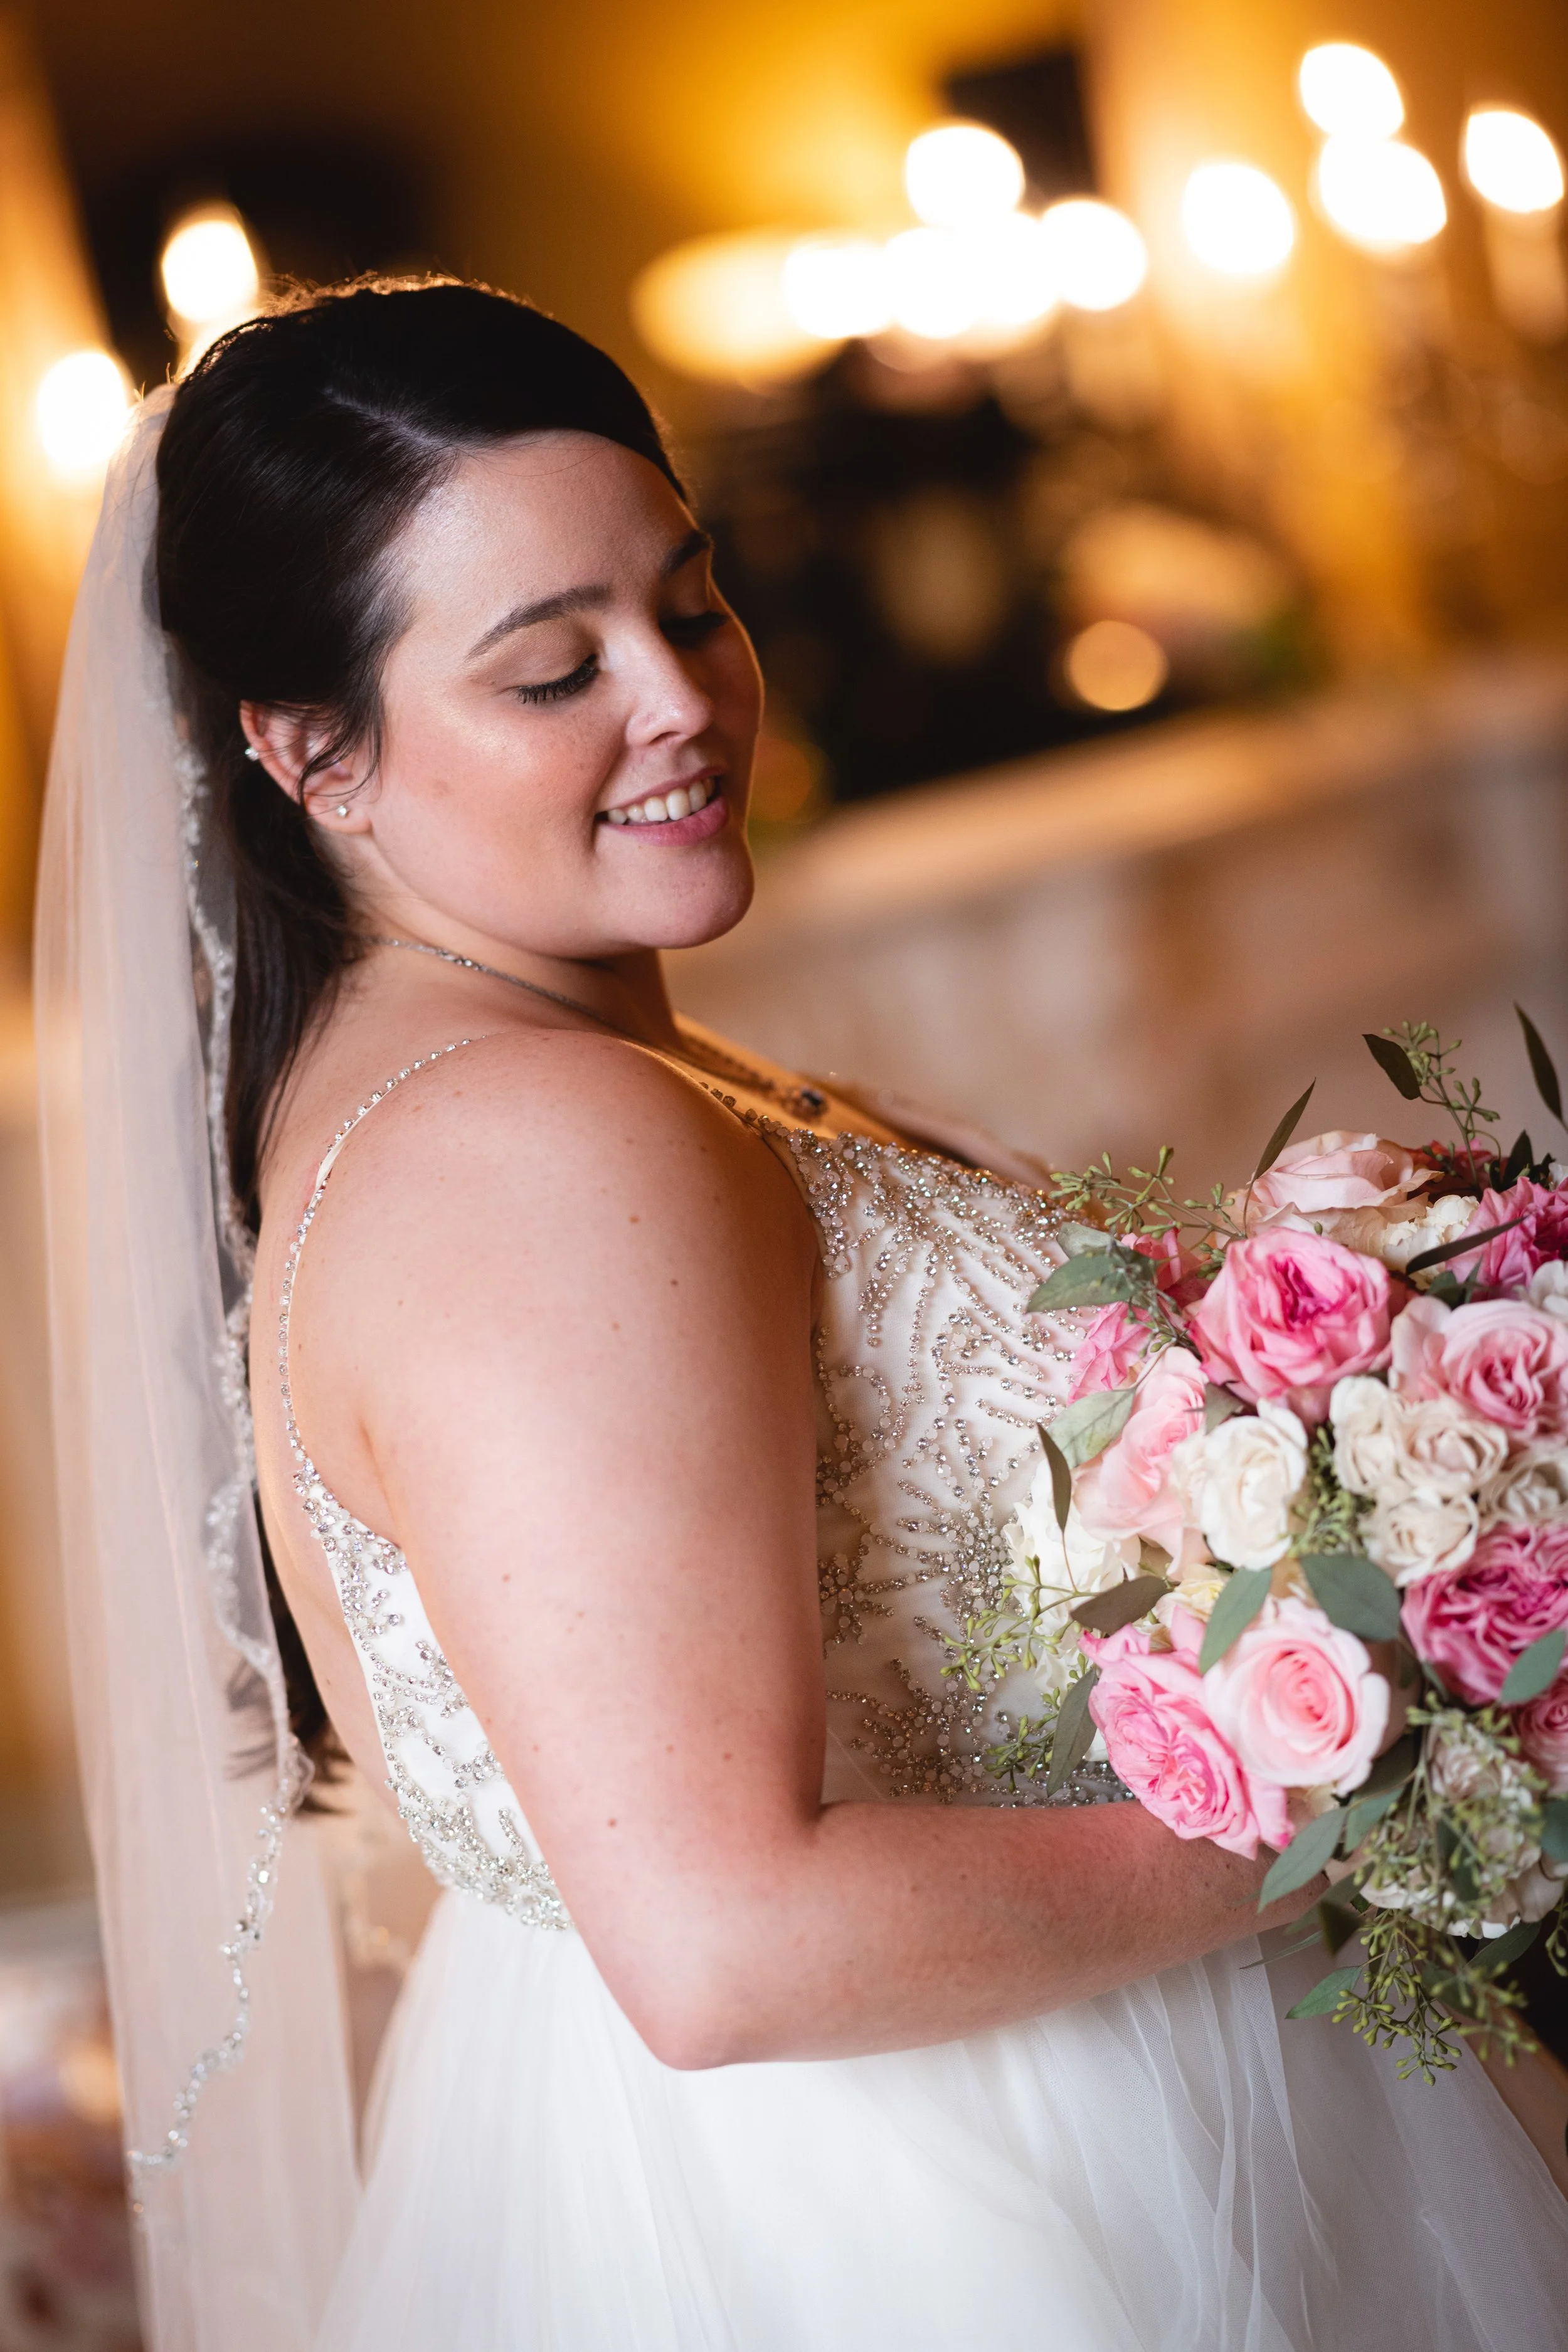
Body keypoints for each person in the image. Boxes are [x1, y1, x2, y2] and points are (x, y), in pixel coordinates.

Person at [38, 278, 1568, 2352]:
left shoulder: (524, 1081)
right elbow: (722, 1939)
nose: (676, 699)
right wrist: (1393, 1778)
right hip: (952, 2186)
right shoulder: (532, 1152)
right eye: (551, 667)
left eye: (689, 604)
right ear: (312, 751)